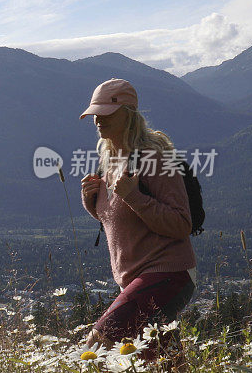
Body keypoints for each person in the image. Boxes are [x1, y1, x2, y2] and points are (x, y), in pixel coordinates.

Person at [78, 79, 197, 363]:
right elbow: (121, 222)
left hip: (168, 274)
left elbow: (182, 223)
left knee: (96, 349)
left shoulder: (154, 156)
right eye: (95, 112)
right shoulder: (110, 159)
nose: (98, 119)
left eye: (106, 112)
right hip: (136, 279)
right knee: (161, 366)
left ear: (129, 114)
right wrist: (90, 201)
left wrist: (135, 197)